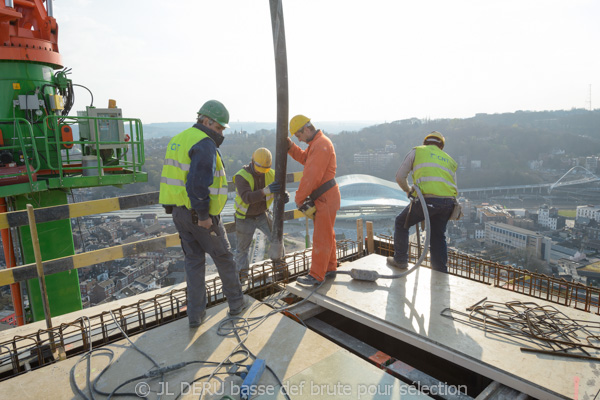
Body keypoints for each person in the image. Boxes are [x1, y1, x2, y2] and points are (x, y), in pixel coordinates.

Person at [159, 100, 247, 328]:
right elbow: (197, 184)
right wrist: (204, 215)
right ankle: (237, 303)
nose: (219, 134)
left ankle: (195, 316)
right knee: (224, 258)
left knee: (194, 263)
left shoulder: (178, 140)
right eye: (218, 128)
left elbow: (174, 180)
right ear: (206, 121)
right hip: (201, 216)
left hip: (179, 214)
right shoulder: (204, 143)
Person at [388, 131, 458, 273]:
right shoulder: (450, 160)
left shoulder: (417, 151)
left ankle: (400, 260)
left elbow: (400, 177)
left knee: (401, 223)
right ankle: (440, 272)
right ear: (441, 146)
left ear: (425, 143)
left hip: (427, 200)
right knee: (438, 236)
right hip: (448, 203)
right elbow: (454, 186)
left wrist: (408, 190)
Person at [287, 115, 340, 285]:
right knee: (327, 234)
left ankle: (316, 275)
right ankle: (330, 268)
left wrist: (299, 198)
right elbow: (305, 159)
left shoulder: (320, 144)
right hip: (326, 196)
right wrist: (290, 147)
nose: (300, 139)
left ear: (306, 129)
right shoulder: (317, 144)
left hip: (325, 197)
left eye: (299, 135)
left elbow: (311, 176)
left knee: (321, 238)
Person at [233, 148, 288, 277]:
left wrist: (284, 194)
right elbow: (247, 198)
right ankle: (242, 280)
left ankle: (280, 271)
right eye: (259, 169)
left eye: (264, 169)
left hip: (262, 214)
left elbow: (280, 189)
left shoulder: (270, 173)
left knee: (277, 241)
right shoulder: (241, 176)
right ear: (252, 162)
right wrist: (265, 191)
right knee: (242, 251)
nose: (261, 172)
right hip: (245, 217)